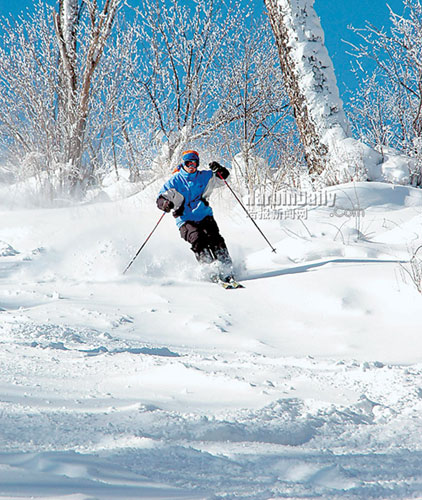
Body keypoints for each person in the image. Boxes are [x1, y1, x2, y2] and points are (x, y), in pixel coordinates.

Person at [156, 150, 233, 281]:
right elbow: (161, 197)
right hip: (185, 220)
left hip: (204, 215)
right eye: (188, 163)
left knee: (215, 239)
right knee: (198, 239)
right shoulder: (175, 182)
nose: (192, 167)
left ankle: (227, 269)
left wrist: (221, 170)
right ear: (183, 164)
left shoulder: (205, 176)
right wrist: (165, 204)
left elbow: (223, 179)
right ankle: (210, 270)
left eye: (194, 164)